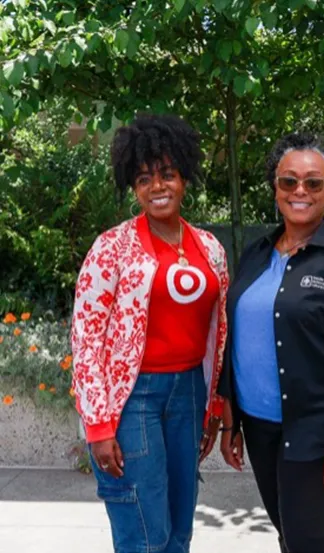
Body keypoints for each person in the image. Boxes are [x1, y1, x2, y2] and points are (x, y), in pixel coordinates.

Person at [71, 113, 229, 553]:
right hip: (134, 397)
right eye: (144, 179)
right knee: (143, 530)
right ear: (133, 187)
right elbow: (86, 339)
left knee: (180, 527)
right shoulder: (111, 247)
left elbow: (219, 333)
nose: (157, 186)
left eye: (167, 175)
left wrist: (214, 403)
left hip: (189, 395)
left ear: (184, 178)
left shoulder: (210, 248)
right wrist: (98, 425)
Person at [217, 133, 324, 553]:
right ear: (276, 188)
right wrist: (230, 420)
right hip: (258, 427)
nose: (300, 191)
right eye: (289, 181)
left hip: (316, 430)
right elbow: (236, 340)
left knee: (308, 537)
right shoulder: (256, 253)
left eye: (313, 182)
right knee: (287, 532)